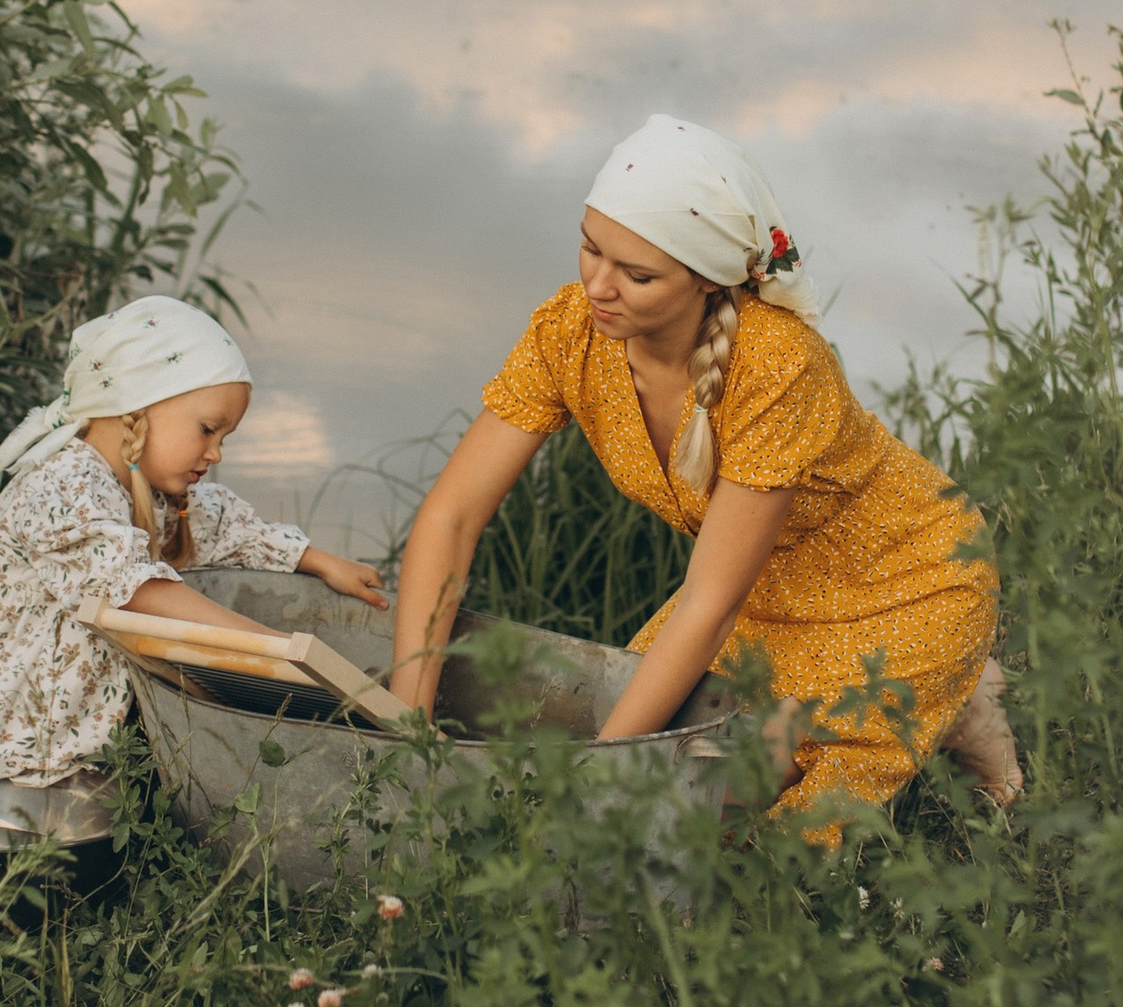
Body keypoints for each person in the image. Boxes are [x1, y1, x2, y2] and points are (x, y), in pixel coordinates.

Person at [388, 114, 1019, 832]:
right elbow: (453, 517)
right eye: (590, 249)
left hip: (905, 579)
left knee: (734, 808)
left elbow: (707, 604)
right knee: (662, 762)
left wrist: (602, 777)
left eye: (638, 274)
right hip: (764, 583)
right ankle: (956, 697)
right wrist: (406, 720)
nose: (598, 285)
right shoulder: (568, 332)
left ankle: (955, 686)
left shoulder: (776, 365)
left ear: (706, 280)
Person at [0, 295, 386, 785]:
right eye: (207, 430)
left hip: (33, 709)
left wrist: (318, 561)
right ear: (137, 407)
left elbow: (227, 529)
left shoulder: (148, 490)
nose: (216, 454)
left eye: (224, 437)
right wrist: (275, 653)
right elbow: (138, 593)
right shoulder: (65, 482)